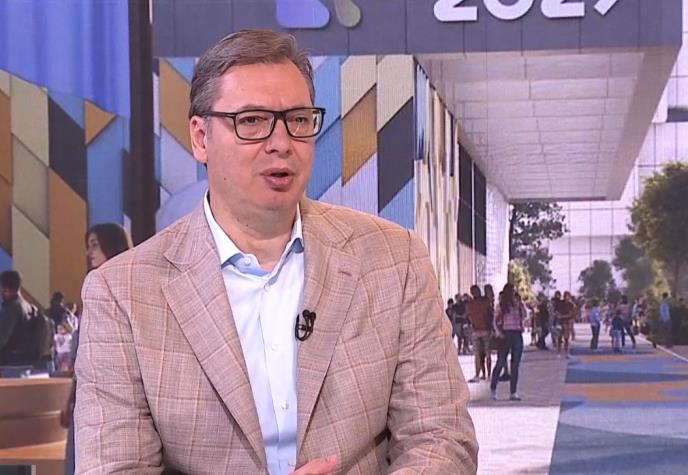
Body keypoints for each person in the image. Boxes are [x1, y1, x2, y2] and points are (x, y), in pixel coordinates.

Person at [74, 30, 477, 474]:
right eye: (252, 121)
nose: (282, 143)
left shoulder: (393, 260)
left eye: (298, 120)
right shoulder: (123, 293)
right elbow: (114, 467)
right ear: (201, 138)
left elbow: (442, 437)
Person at [62, 222, 133, 475]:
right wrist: (70, 399)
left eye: (95, 245)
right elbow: (84, 357)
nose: (88, 252)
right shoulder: (94, 285)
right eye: (88, 245)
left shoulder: (128, 287)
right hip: (89, 397)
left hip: (119, 400)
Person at [490, 283, 525, 401]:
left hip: (517, 333)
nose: (513, 294)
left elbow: (525, 316)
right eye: (512, 291)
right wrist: (498, 332)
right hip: (506, 334)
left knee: (515, 364)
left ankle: (513, 392)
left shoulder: (518, 305)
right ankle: (493, 388)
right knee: (500, 362)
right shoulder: (501, 305)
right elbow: (495, 320)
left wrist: (520, 305)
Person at [466, 285, 492, 383]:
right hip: (484, 330)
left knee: (479, 354)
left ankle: (480, 374)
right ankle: (487, 375)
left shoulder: (471, 304)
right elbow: (490, 314)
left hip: (477, 330)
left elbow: (469, 316)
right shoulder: (485, 302)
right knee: (485, 353)